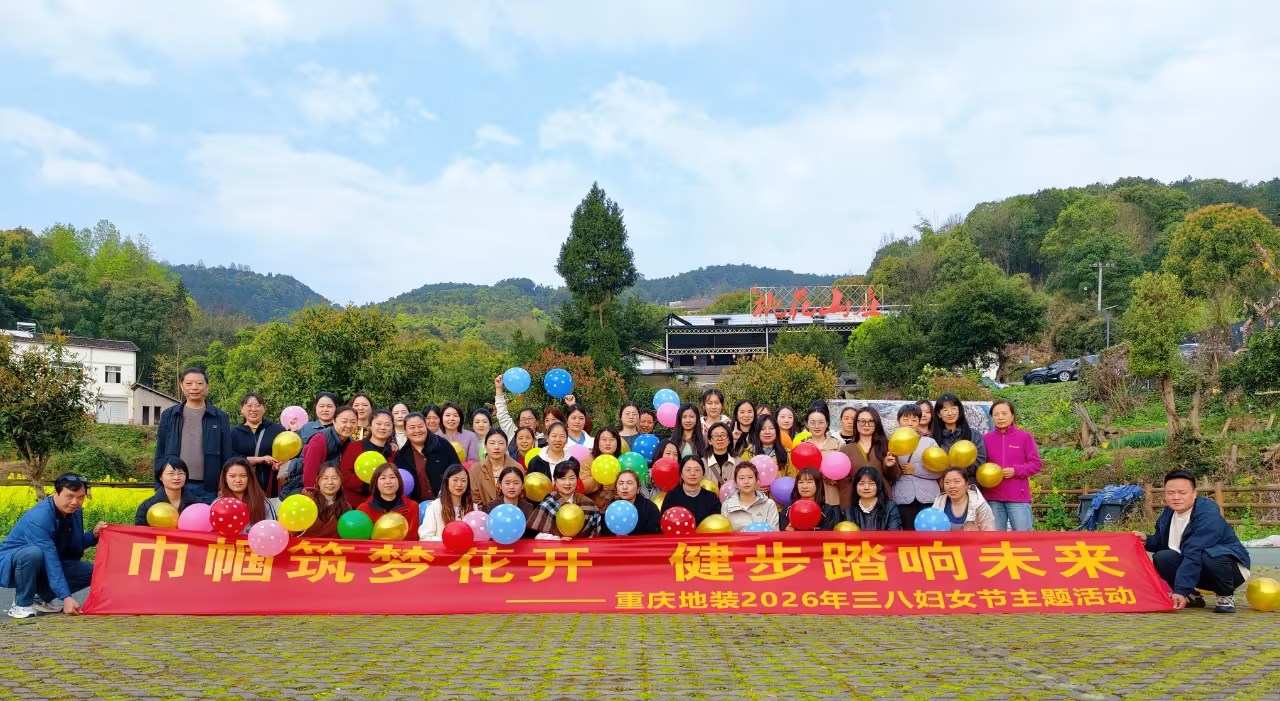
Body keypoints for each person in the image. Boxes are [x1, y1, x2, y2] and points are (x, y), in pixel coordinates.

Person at [1138, 470, 1251, 613]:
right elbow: (1163, 542)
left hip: (1232, 570)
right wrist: (1147, 540)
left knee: (1209, 554)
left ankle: (1225, 596)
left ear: (1194, 493)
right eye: (1170, 493)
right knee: (1162, 557)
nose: (1176, 497)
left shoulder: (1208, 515)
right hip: (1198, 568)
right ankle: (1192, 596)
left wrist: (1180, 590)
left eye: (1182, 492)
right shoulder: (1168, 514)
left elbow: (1194, 551)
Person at [1, 474, 104, 618]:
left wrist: (93, 535)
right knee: (33, 553)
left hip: (42, 562)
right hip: (12, 563)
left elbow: (74, 546)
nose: (75, 502)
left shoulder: (74, 512)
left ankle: (39, 597)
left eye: (81, 497)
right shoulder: (40, 517)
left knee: (95, 572)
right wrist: (66, 597)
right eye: (69, 496)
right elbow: (50, 559)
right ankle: (21, 604)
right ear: (56, 492)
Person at [153, 367, 234, 503]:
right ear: (181, 386)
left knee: (207, 517)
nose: (194, 387)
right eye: (189, 383)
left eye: (199, 383)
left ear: (207, 386)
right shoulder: (169, 415)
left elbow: (227, 455)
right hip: (175, 485)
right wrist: (158, 484)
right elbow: (160, 452)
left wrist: (224, 486)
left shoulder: (220, 417)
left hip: (209, 488)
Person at [982, 399, 1043, 531]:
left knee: (1022, 538)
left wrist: (1016, 471)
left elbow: (1036, 464)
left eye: (1004, 413)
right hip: (993, 497)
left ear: (1012, 415)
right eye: (996, 414)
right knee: (995, 538)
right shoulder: (985, 438)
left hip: (1018, 497)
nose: (1000, 417)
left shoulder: (1024, 437)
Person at [836, 408, 900, 511]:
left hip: (882, 503)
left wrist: (889, 466)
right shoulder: (846, 450)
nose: (866, 425)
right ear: (856, 423)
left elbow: (895, 476)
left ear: (876, 423)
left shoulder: (887, 446)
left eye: (871, 421)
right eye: (862, 421)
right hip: (855, 505)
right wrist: (846, 508)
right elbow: (844, 484)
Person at [890, 404, 942, 531]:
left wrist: (915, 470)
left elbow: (939, 471)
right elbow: (889, 474)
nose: (910, 423)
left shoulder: (929, 442)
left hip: (929, 497)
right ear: (898, 421)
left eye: (914, 420)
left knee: (930, 533)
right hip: (903, 497)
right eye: (906, 419)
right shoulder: (891, 443)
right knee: (908, 533)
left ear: (919, 422)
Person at [527, 461, 604, 539]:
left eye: (571, 478)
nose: (567, 483)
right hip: (555, 546)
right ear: (555, 480)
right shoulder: (548, 503)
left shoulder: (588, 504)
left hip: (584, 546)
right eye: (562, 479)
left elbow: (595, 533)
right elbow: (536, 535)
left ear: (577, 479)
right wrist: (558, 539)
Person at [339, 409, 397, 509]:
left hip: (385, 506)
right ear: (370, 426)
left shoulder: (394, 452)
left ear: (392, 428)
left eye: (387, 424)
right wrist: (372, 485)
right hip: (355, 505)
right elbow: (345, 475)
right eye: (378, 424)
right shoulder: (354, 447)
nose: (383, 427)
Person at [230, 392, 285, 497]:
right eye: (249, 406)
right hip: (244, 488)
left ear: (264, 409)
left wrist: (280, 463)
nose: (253, 409)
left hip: (272, 486)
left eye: (258, 405)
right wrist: (261, 459)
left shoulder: (278, 430)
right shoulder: (234, 433)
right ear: (242, 410)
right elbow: (232, 459)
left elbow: (289, 455)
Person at [392, 412, 456, 501]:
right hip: (417, 505)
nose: (417, 430)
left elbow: (457, 471)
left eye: (420, 426)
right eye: (412, 427)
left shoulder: (442, 445)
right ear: (405, 431)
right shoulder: (402, 456)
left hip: (445, 502)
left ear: (426, 426)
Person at [301, 405, 358, 491]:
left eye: (353, 422)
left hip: (338, 490)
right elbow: (310, 473)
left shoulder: (352, 443)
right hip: (318, 490)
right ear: (334, 421)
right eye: (344, 421)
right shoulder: (319, 440)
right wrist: (314, 495)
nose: (349, 426)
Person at [358, 464, 420, 540]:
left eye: (392, 477)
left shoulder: (412, 507)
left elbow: (412, 539)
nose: (388, 482)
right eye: (383, 478)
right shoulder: (363, 509)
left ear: (399, 481)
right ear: (376, 483)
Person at [931, 394, 987, 475]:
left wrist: (958, 471)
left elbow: (980, 461)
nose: (950, 413)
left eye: (953, 408)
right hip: (943, 480)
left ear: (959, 410)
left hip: (967, 480)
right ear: (939, 414)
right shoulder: (933, 437)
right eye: (945, 410)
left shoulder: (973, 435)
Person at [420, 464, 480, 540]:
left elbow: (478, 536)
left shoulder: (474, 507)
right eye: (455, 480)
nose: (459, 484)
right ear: (446, 481)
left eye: (463, 480)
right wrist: (449, 540)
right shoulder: (434, 507)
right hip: (441, 547)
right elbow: (425, 537)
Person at [134, 460, 203, 525]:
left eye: (181, 473)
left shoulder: (198, 504)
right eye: (171, 473)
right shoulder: (147, 507)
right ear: (160, 477)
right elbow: (141, 531)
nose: (176, 477)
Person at [803, 406, 846, 508]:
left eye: (821, 422)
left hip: (833, 499)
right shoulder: (802, 446)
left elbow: (846, 473)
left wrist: (836, 480)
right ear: (807, 424)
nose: (817, 426)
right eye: (813, 422)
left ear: (827, 423)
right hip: (809, 501)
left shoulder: (838, 444)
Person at [660, 455, 722, 524]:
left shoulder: (711, 497)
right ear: (681, 474)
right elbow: (664, 522)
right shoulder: (671, 497)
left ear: (703, 473)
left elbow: (716, 523)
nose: (692, 473)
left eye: (697, 470)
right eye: (688, 470)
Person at [217, 458, 279, 526]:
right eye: (232, 476)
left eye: (243, 475)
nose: (238, 480)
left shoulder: (263, 502)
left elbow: (272, 528)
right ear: (225, 478)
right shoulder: (218, 504)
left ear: (250, 477)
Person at [483, 466, 541, 540]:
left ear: (522, 485)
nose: (511, 487)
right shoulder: (489, 508)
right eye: (507, 483)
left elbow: (533, 535)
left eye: (516, 483)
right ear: (500, 485)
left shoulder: (529, 509)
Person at [469, 429, 521, 506]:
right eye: (492, 443)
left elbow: (521, 496)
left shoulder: (516, 467)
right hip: (483, 512)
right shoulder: (476, 469)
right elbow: (475, 499)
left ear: (507, 446)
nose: (496, 447)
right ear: (485, 446)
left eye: (501, 443)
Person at [722, 463, 779, 531]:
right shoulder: (727, 505)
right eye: (741, 478)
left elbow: (774, 533)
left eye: (750, 477)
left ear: (756, 480)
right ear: (735, 483)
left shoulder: (769, 504)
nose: (746, 482)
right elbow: (725, 533)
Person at [603, 469, 662, 535]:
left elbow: (654, 535)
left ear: (638, 488)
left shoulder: (650, 508)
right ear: (616, 489)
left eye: (629, 483)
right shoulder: (611, 508)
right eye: (621, 483)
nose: (624, 487)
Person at [300, 463, 351, 538]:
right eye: (325, 478)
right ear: (318, 481)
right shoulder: (306, 502)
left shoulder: (346, 507)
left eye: (334, 478)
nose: (330, 482)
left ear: (341, 481)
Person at [494, 374, 544, 446]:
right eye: (523, 419)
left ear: (537, 423)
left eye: (530, 418)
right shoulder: (512, 435)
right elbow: (502, 415)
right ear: (519, 423)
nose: (527, 422)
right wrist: (498, 388)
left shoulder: (545, 443)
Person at [847, 466, 902, 531]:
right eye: (861, 483)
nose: (866, 487)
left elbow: (894, 532)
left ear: (878, 486)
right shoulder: (849, 511)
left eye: (871, 483)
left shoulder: (890, 507)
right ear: (855, 486)